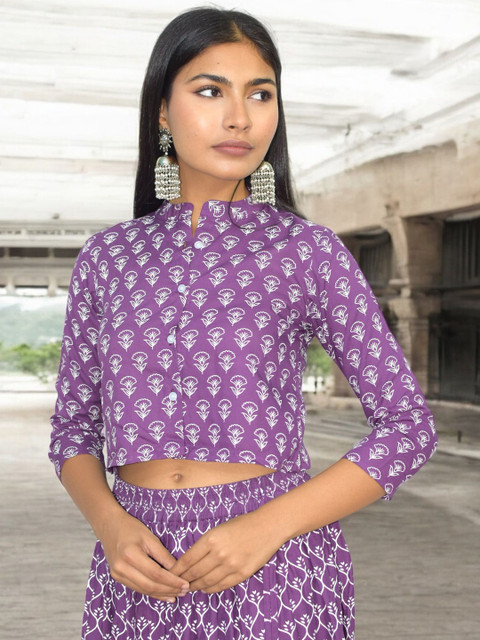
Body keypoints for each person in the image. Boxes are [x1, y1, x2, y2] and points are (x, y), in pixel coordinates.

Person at [48, 7, 438, 640]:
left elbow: (408, 428)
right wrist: (110, 525)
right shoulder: (109, 257)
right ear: (162, 113)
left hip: (274, 571)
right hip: (138, 576)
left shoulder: (306, 252)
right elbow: (73, 431)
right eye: (210, 91)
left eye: (260, 94)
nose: (240, 117)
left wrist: (268, 526)